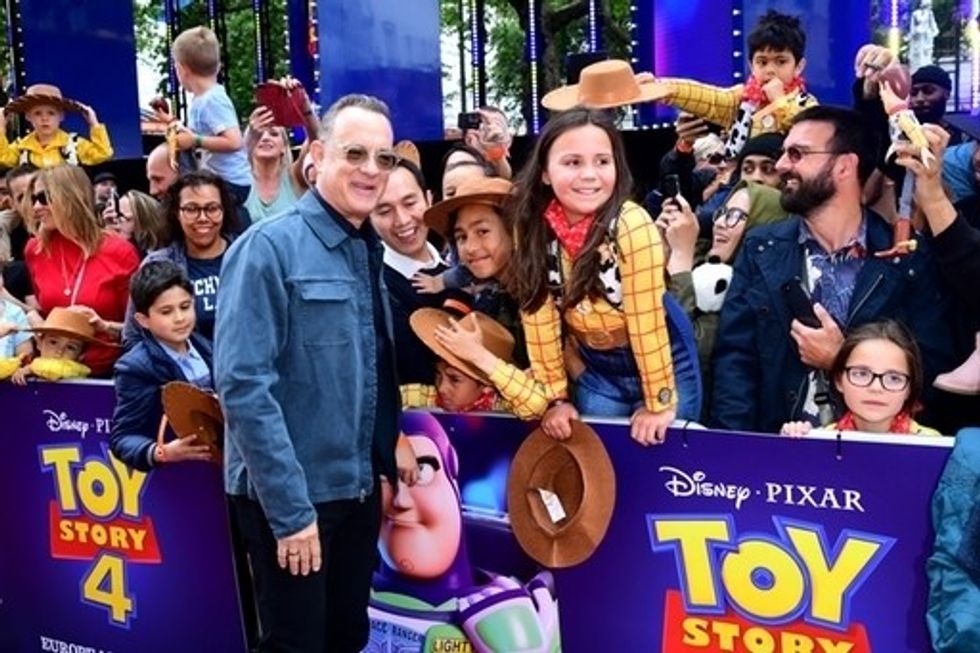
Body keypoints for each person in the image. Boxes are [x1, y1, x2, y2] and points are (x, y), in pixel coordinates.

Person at [214, 94, 418, 653]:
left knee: (346, 638)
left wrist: (387, 444)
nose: (371, 170)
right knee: (296, 646)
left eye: (384, 158)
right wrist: (291, 513)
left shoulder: (365, 249)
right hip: (293, 500)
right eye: (355, 153)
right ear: (318, 156)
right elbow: (242, 387)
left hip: (355, 493)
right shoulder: (267, 248)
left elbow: (367, 365)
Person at [711, 105, 956, 433]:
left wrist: (842, 359)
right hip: (778, 454)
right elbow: (735, 360)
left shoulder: (904, 256)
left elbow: (932, 366)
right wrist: (736, 450)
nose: (782, 165)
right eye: (785, 153)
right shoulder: (761, 247)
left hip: (874, 457)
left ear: (844, 166)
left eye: (797, 154)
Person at [508, 107, 677, 445]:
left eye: (602, 161)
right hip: (596, 367)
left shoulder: (632, 223)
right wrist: (556, 399)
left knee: (668, 462)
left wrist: (660, 402)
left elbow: (647, 323)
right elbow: (538, 319)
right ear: (544, 172)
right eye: (573, 162)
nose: (590, 175)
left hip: (664, 356)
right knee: (602, 466)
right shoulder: (531, 228)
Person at [653, 10, 818, 159]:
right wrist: (660, 87)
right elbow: (707, 97)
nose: (770, 70)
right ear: (751, 66)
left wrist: (780, 102)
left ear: (798, 67)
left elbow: (807, 134)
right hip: (739, 183)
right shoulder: (742, 98)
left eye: (781, 62)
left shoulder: (805, 103)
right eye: (762, 62)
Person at [22, 165, 139, 376]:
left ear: (71, 197)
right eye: (33, 200)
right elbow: (45, 310)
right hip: (54, 374)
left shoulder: (120, 252)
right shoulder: (35, 250)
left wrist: (104, 326)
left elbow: (138, 326)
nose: (36, 207)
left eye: (44, 197)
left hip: (110, 374)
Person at [110, 261, 214, 471]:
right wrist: (162, 452)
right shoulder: (135, 367)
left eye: (185, 307)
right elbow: (122, 437)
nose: (179, 318)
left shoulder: (208, 346)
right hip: (180, 476)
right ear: (143, 320)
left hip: (220, 466)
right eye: (166, 312)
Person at [122, 171, 238, 345]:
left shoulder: (247, 256)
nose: (203, 218)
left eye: (212, 208)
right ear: (176, 213)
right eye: (191, 209)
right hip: (177, 371)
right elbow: (132, 336)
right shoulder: (157, 264)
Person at [369, 154, 450, 385]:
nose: (402, 220)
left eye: (410, 203)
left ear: (429, 198)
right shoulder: (376, 289)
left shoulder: (460, 266)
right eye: (384, 211)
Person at [780, 321, 940, 436]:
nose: (876, 388)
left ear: (909, 389)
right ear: (838, 380)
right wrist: (793, 447)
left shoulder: (932, 446)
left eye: (894, 378)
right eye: (861, 374)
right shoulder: (821, 440)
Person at [170, 27, 252, 209]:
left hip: (232, 183)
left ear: (181, 69)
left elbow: (234, 141)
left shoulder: (212, 99)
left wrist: (195, 140)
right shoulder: (200, 100)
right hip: (219, 180)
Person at [244, 77, 320, 223]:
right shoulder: (240, 181)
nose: (266, 138)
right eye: (259, 134)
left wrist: (303, 105)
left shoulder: (294, 177)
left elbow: (316, 141)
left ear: (284, 148)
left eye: (273, 134)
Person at [0, 83, 113, 168]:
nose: (45, 119)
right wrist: (1, 127)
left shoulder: (74, 144)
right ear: (28, 117)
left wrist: (94, 123)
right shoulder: (21, 147)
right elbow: (3, 157)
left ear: (61, 116)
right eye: (37, 113)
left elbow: (103, 153)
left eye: (51, 113)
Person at [11, 306, 100, 384]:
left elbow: (52, 373)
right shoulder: (28, 370)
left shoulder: (79, 373)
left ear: (81, 356)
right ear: (39, 343)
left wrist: (32, 368)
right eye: (53, 342)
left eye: (70, 347)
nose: (59, 351)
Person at [105, 190, 168, 257]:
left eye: (121, 217)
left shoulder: (156, 259)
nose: (115, 223)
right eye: (114, 218)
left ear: (143, 224)